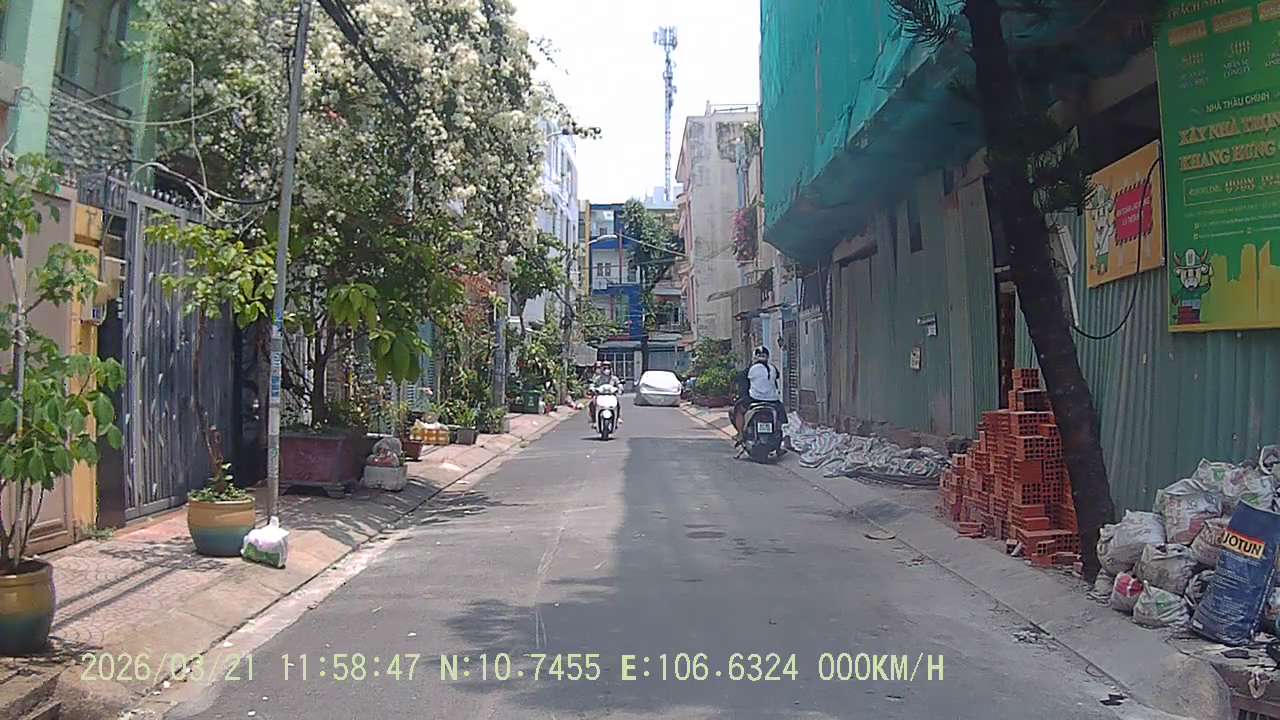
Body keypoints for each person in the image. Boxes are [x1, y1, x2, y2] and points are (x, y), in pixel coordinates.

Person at [732, 346, 785, 438]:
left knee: (738, 409)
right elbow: (777, 376)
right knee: (781, 415)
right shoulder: (773, 368)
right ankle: (779, 436)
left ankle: (740, 434)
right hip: (773, 400)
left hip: (754, 399)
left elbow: (739, 377)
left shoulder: (752, 369)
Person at [589, 361, 622, 428]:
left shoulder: (614, 378)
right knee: (592, 403)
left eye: (608, 368)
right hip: (600, 395)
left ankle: (617, 418)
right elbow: (592, 384)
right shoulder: (597, 378)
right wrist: (592, 388)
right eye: (604, 368)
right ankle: (594, 420)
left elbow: (619, 384)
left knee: (618, 403)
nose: (606, 370)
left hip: (611, 395)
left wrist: (620, 389)